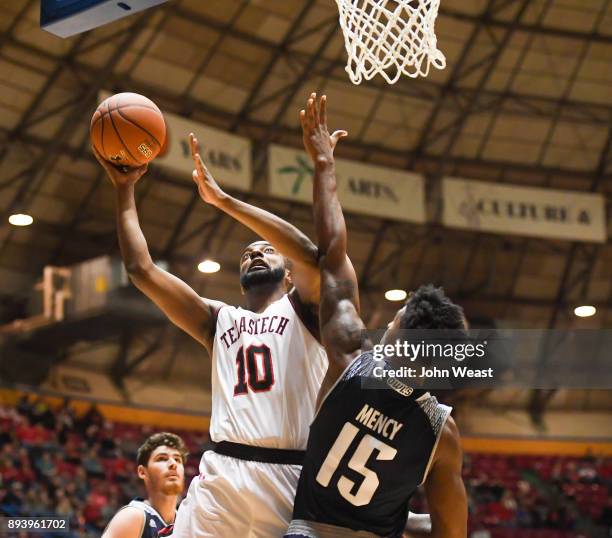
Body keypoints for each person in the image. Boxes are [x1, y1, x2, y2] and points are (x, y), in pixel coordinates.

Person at [93, 130, 327, 537]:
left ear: (288, 273)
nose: (254, 253)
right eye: (246, 254)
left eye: (265, 250)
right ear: (238, 282)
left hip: (291, 476)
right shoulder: (218, 319)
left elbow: (310, 253)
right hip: (222, 475)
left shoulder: (307, 310)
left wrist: (225, 202)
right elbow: (141, 270)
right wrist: (124, 189)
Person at [285, 95, 468, 538]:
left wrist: (325, 166)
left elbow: (331, 259)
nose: (385, 323)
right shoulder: (441, 433)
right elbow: (452, 530)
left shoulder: (351, 358)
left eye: (395, 318)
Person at [102, 432, 187, 538]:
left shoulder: (186, 524)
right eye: (162, 459)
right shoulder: (133, 517)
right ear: (142, 472)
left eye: (178, 459)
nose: (173, 464)